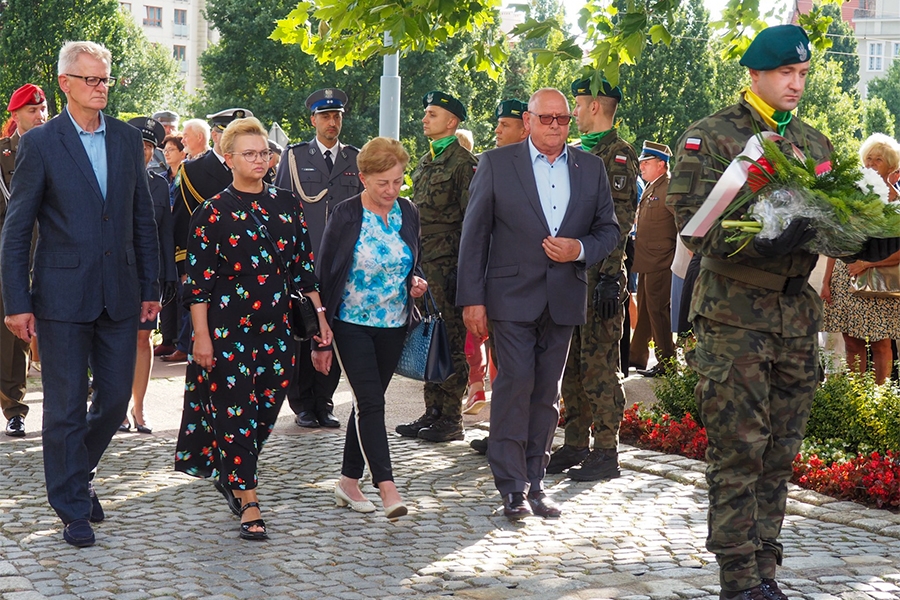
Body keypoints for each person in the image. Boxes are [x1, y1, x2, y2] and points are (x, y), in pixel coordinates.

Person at [667, 25, 832, 599]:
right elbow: (694, 221)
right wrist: (762, 238)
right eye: (786, 73)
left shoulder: (813, 144)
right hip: (734, 316)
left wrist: (864, 238)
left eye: (802, 74)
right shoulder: (711, 136)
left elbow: (830, 221)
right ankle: (738, 580)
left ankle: (766, 572)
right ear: (756, 74)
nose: (795, 84)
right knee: (739, 451)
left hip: (794, 318)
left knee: (780, 453)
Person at [0, 41, 160, 547]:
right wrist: (16, 301)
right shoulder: (42, 144)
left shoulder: (127, 139)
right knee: (65, 406)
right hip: (60, 295)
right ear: (66, 84)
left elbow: (141, 218)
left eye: (106, 79)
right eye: (91, 80)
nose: (101, 88)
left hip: (121, 292)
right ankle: (72, 509)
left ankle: (77, 473)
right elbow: (18, 228)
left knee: (113, 400)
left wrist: (151, 287)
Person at [457, 88, 619, 520]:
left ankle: (535, 481)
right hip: (509, 296)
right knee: (515, 385)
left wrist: (580, 249)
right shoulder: (496, 163)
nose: (554, 126)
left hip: (564, 295)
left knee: (547, 395)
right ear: (527, 121)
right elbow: (473, 237)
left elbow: (610, 230)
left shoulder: (591, 168)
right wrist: (471, 299)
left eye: (562, 119)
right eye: (545, 118)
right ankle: (511, 486)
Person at [174, 117, 331, 540]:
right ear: (228, 159)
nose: (260, 160)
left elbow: (303, 269)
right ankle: (249, 499)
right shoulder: (212, 213)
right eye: (250, 153)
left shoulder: (287, 204)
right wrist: (201, 337)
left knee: (265, 410)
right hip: (227, 330)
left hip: (277, 328)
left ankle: (232, 470)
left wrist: (320, 321)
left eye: (264, 153)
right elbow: (198, 286)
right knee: (235, 412)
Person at [311, 137, 427, 519]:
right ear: (363, 178)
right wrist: (321, 334)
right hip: (351, 323)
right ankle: (387, 487)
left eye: (397, 181)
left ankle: (347, 481)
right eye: (383, 183)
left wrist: (416, 282)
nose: (391, 190)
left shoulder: (408, 212)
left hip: (394, 323)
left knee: (366, 403)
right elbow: (325, 275)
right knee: (373, 403)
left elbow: (413, 260)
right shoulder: (345, 215)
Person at [550, 77, 638, 481]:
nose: (574, 112)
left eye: (579, 105)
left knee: (600, 364)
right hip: (571, 274)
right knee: (572, 363)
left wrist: (608, 277)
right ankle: (574, 443)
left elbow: (619, 224)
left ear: (597, 108)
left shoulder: (618, 155)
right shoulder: (573, 156)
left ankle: (606, 450)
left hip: (600, 276)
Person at [275, 88, 361, 429]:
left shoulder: (355, 158)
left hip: (342, 261)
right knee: (303, 326)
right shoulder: (295, 157)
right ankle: (302, 403)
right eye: (325, 116)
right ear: (313, 120)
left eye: (337, 116)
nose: (332, 122)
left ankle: (325, 401)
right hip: (303, 257)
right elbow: (281, 208)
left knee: (334, 328)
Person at [396, 91, 477, 443]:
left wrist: (466, 269)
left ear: (452, 122)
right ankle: (432, 411)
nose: (425, 119)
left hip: (451, 267)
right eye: (425, 113)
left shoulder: (464, 164)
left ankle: (452, 417)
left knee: (452, 342)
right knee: (430, 338)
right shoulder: (426, 163)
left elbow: (472, 223)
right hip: (425, 264)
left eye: (432, 114)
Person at [166, 108, 252, 363]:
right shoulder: (193, 171)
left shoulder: (253, 165)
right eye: (230, 134)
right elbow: (182, 221)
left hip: (249, 269)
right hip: (209, 268)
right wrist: (183, 266)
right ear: (215, 135)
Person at [467, 99, 528, 455]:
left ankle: (518, 438)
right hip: (499, 285)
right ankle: (502, 436)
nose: (496, 132)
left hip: (533, 287)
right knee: (501, 367)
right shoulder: (493, 166)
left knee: (523, 372)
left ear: (525, 127)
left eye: (504, 125)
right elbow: (478, 231)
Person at [822, 133, 900, 384]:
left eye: (879, 159)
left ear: (892, 166)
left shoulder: (896, 204)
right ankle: (857, 399)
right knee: (850, 341)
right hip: (846, 278)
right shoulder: (851, 197)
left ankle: (880, 398)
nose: (872, 163)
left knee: (881, 343)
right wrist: (826, 281)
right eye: (868, 158)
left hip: (880, 281)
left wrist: (868, 263)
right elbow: (838, 242)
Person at [120, 117, 177, 434]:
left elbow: (165, 233)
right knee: (118, 341)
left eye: (148, 147)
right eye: (138, 145)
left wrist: (167, 277)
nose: (142, 151)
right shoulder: (110, 178)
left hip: (147, 275)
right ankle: (116, 408)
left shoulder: (158, 184)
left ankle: (139, 409)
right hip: (114, 273)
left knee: (144, 339)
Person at [0, 83, 46, 438]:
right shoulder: (2, 155)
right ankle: (14, 407)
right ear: (15, 116)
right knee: (11, 338)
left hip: (52, 255)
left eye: (41, 109)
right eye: (31, 110)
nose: (39, 116)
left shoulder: (61, 149)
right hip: (12, 257)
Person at [632, 141, 675, 377]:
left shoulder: (669, 188)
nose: (642, 167)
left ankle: (667, 362)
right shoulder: (652, 186)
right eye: (641, 163)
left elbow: (681, 223)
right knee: (647, 311)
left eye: (646, 163)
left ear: (662, 165)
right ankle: (636, 356)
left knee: (658, 311)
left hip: (661, 260)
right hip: (647, 259)